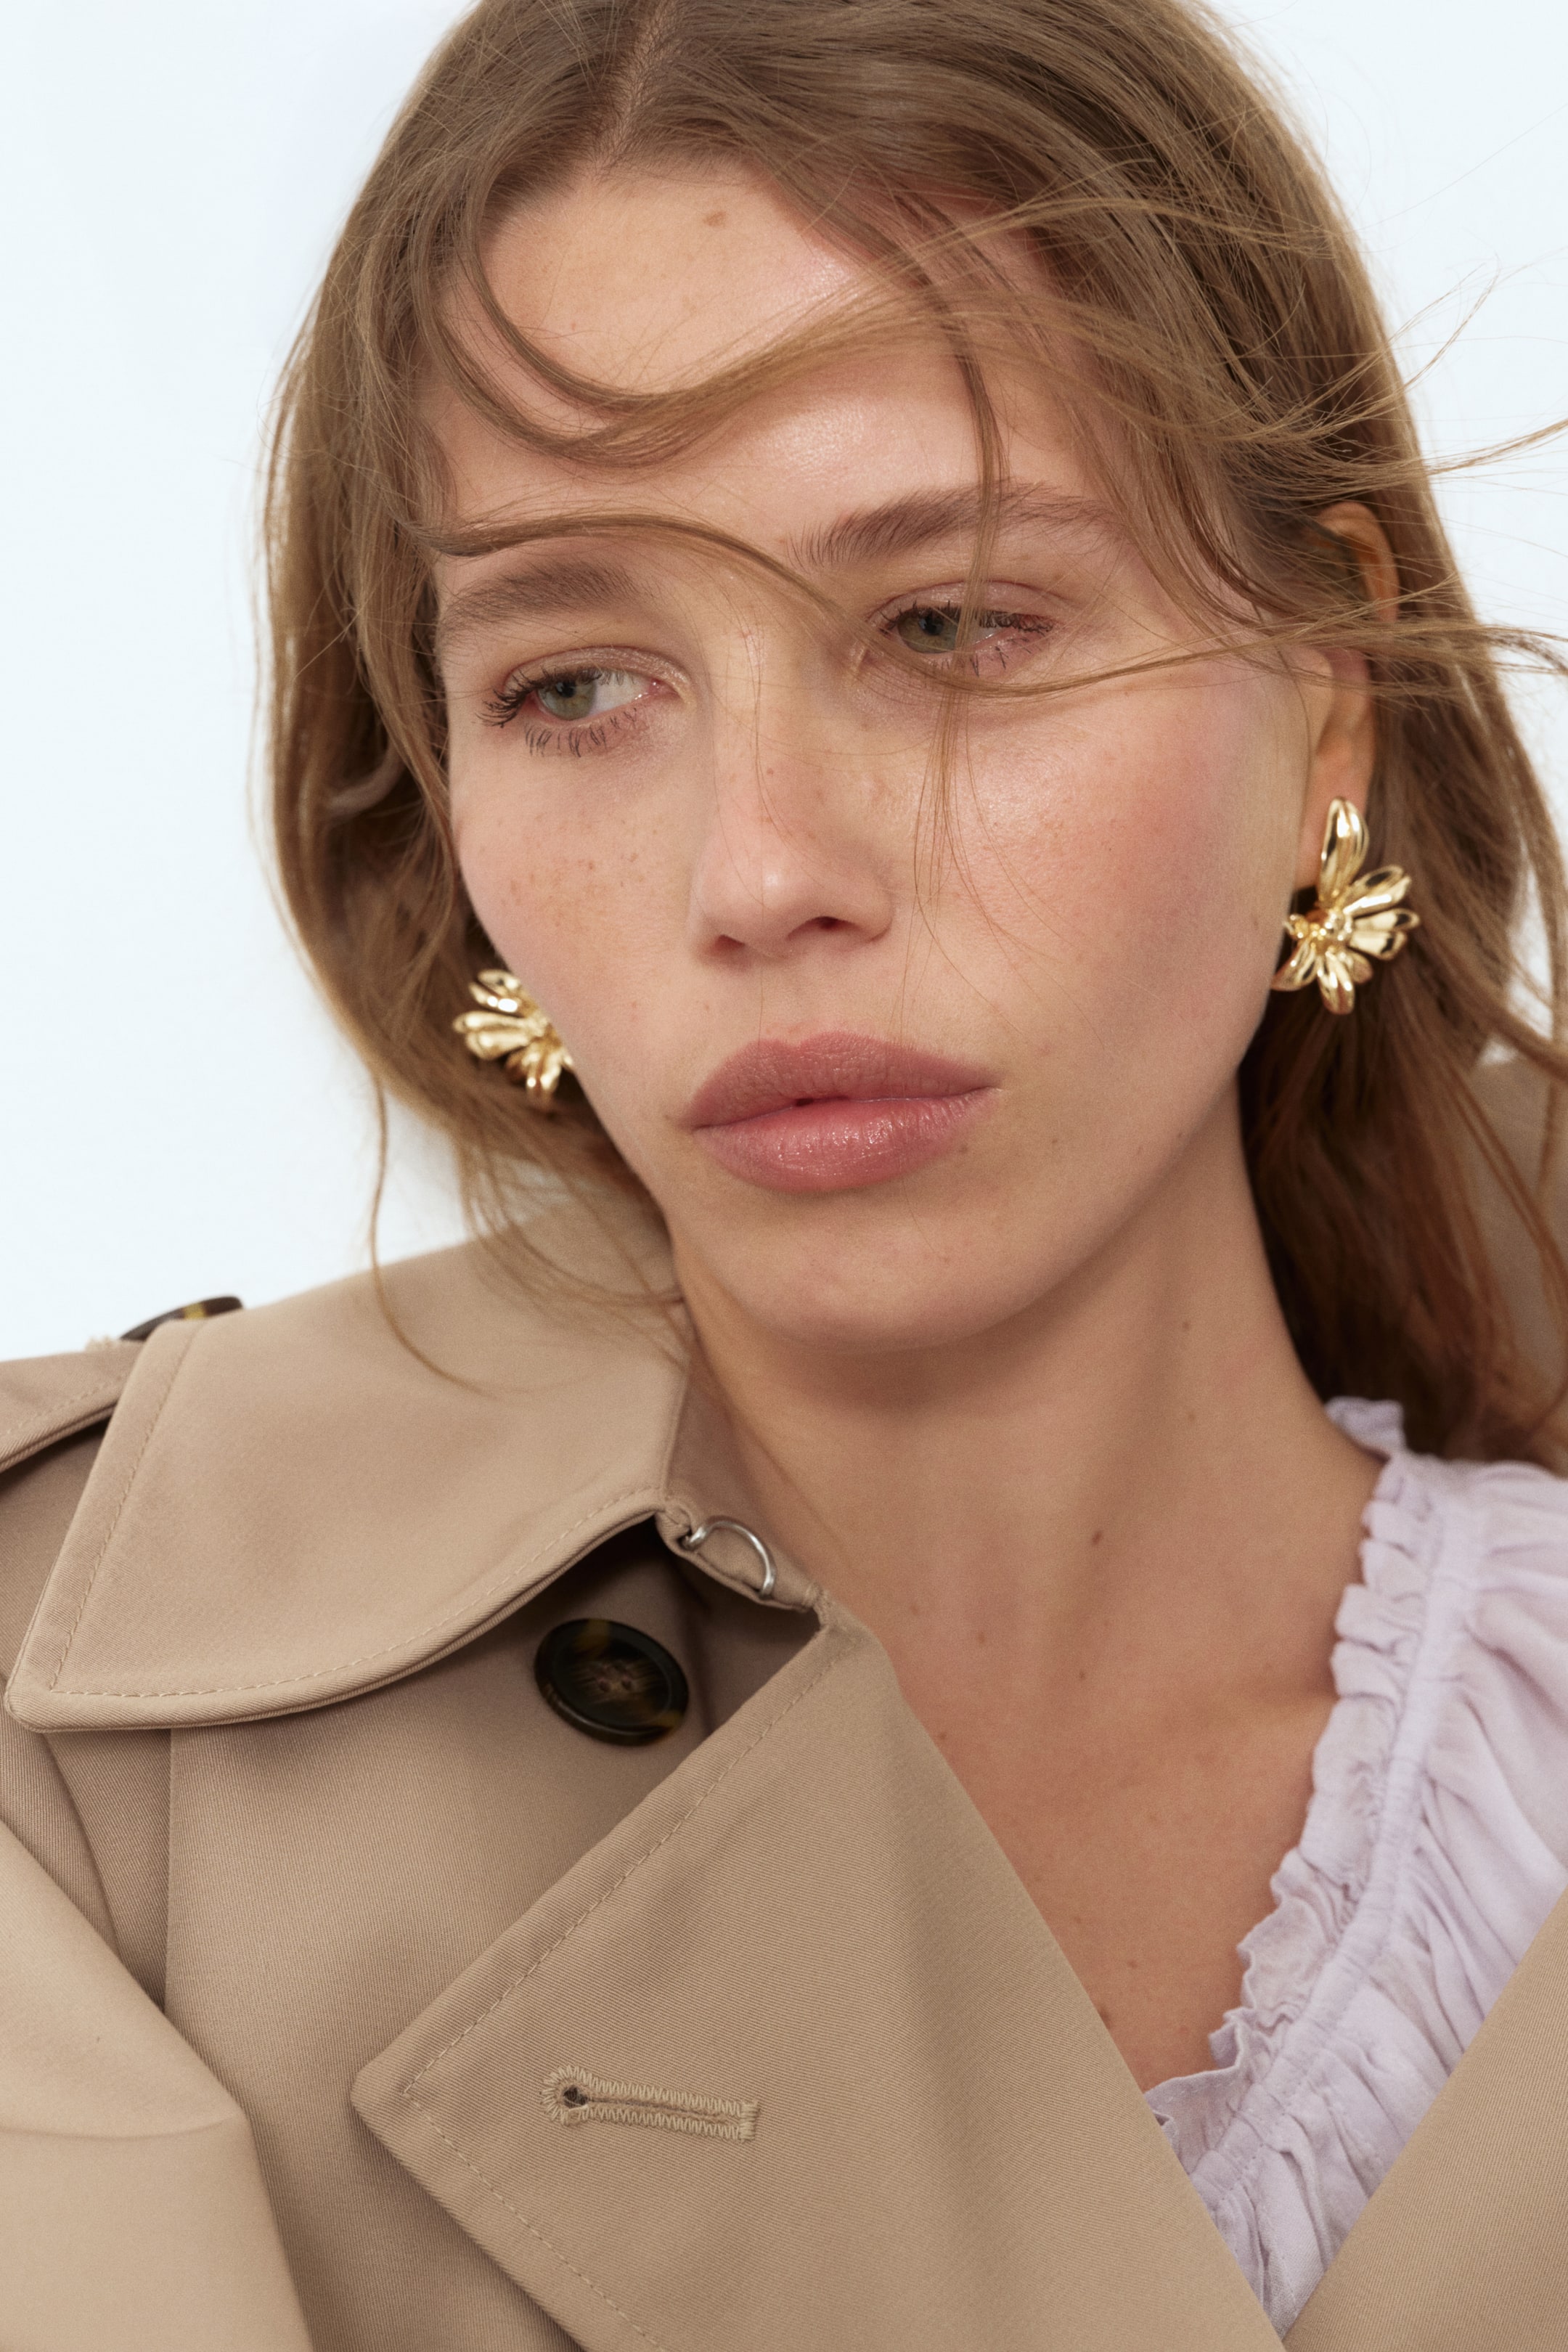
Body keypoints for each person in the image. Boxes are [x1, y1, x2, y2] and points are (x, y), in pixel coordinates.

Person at [3, 0, 1567, 2344]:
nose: (765, 870)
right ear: (444, 792)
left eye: (947, 626)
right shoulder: (67, 1760)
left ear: (1323, 700)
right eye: (575, 685)